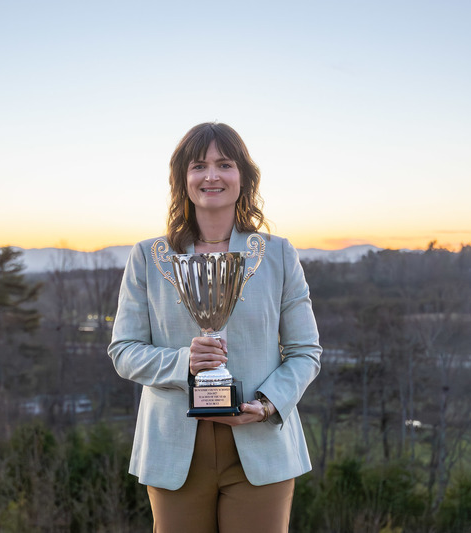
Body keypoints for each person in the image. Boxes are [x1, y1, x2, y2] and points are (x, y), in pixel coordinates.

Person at [108, 122, 321, 532]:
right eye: (198, 166)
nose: (211, 175)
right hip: (174, 451)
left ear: (243, 176)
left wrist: (269, 404)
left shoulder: (277, 254)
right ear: (182, 179)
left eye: (224, 163)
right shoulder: (149, 257)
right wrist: (184, 362)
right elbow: (124, 351)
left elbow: (305, 352)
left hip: (261, 446)